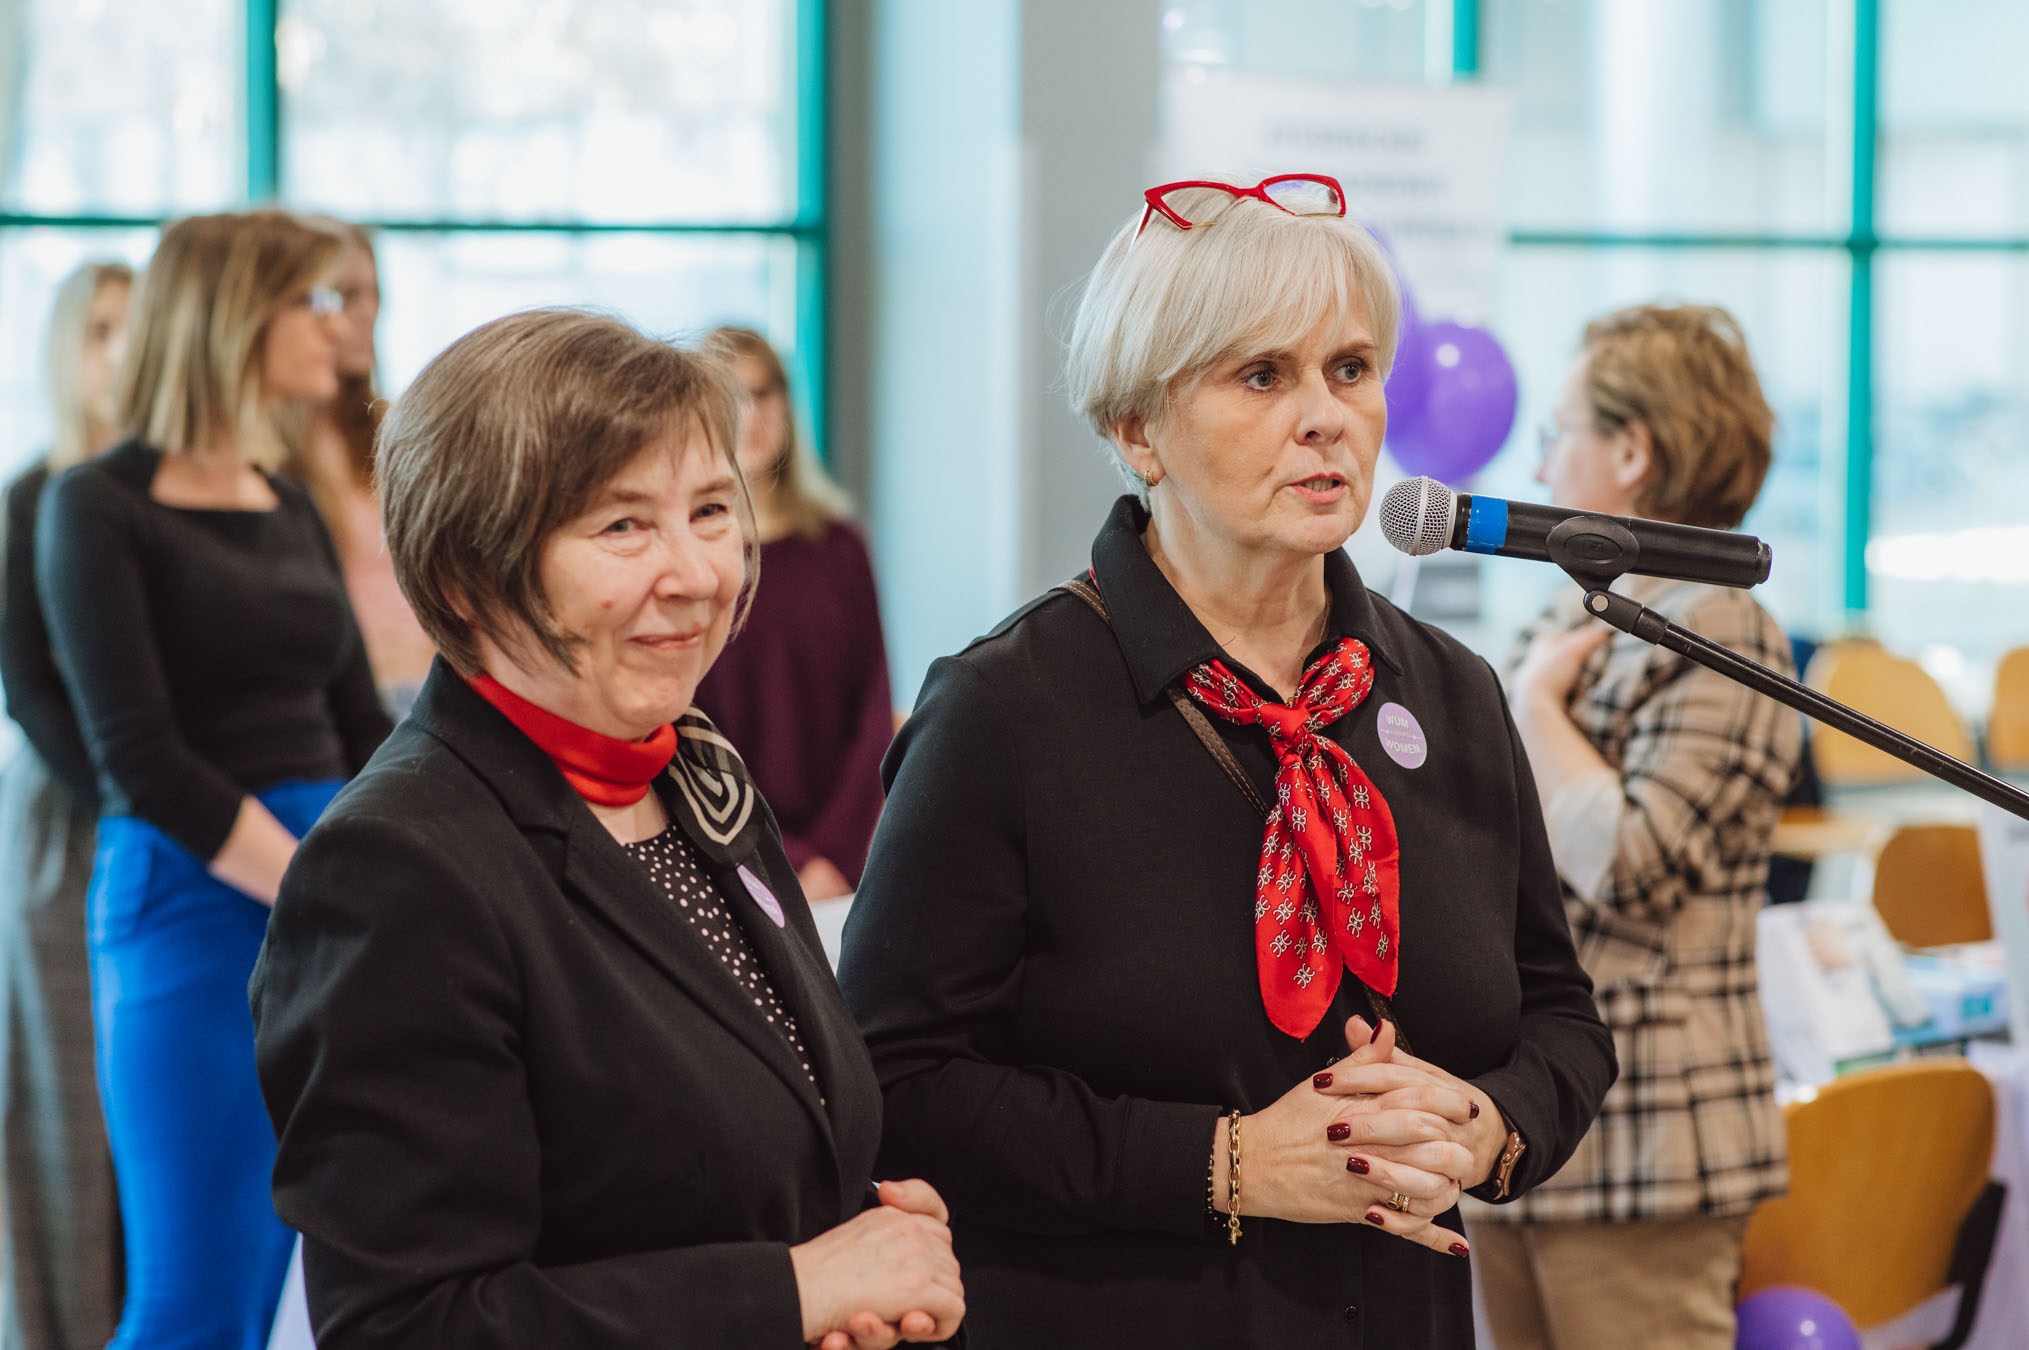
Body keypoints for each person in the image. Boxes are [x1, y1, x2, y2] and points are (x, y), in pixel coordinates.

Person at [837, 173, 1617, 1348]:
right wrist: (1226, 1163)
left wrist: (1484, 1125)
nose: (1325, 417)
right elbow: (895, 1087)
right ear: (1135, 429)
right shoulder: (1005, 709)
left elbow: (1560, 1019)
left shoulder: (1448, 691)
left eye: (1349, 369)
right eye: (1261, 375)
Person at [250, 309, 964, 1350]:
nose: (698, 573)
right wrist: (790, 1287)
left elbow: (751, 1134)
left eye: (710, 510)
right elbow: (407, 1325)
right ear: (463, 575)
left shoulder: (693, 767)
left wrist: (863, 1234)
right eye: (623, 526)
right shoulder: (396, 867)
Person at [36, 210, 393, 1350]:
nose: (337, 326)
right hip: (194, 896)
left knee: (306, 1290)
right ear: (237, 315)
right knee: (197, 1294)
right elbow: (139, 757)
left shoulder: (289, 501)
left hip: (326, 879)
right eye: (313, 300)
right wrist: (317, 887)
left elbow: (359, 723)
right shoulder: (95, 504)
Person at [1467, 304, 1800, 1350]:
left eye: (1557, 430)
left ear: (1630, 453)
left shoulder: (1723, 626)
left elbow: (1630, 863)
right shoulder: (1569, 612)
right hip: (1516, 1117)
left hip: (1652, 1135)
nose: (1540, 462)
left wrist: (1535, 708)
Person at [0, 258, 132, 1350]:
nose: (122, 352)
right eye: (100, 330)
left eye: (138, 328)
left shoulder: (179, 494)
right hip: (71, 826)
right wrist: (136, 799)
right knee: (68, 1101)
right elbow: (31, 691)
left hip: (181, 824)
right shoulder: (34, 495)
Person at [693, 327, 892, 900]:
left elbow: (874, 712)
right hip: (726, 854)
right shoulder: (689, 563)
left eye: (763, 392)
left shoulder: (841, 547)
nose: (751, 415)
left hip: (842, 867)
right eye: (731, 397)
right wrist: (789, 858)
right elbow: (688, 732)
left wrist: (831, 857)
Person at [282, 218, 435, 716]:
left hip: (428, 682)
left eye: (374, 294)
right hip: (342, 697)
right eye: (346, 296)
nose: (366, 313)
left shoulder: (395, 427)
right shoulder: (265, 454)